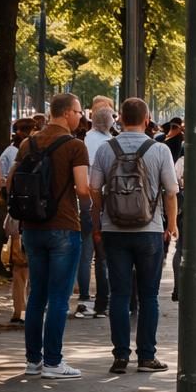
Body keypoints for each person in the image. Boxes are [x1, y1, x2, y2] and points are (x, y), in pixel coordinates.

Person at [90, 97, 177, 374]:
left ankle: (120, 356)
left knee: (119, 294)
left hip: (113, 230)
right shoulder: (159, 149)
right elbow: (171, 191)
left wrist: (98, 223)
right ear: (147, 117)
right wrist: (171, 224)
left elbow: (94, 189)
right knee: (149, 295)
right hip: (148, 230)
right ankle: (147, 356)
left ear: (120, 118)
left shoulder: (106, 149)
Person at [7, 93, 90, 379]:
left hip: (32, 227)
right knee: (59, 297)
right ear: (67, 113)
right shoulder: (75, 146)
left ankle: (33, 361)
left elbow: (11, 181)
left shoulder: (28, 143)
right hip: (64, 226)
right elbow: (81, 188)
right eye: (79, 112)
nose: (81, 117)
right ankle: (54, 362)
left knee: (37, 295)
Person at [75, 105, 115, 320]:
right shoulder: (108, 144)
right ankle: (102, 301)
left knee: (85, 251)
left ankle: (83, 298)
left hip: (83, 201)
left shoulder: (85, 139)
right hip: (99, 202)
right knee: (101, 256)